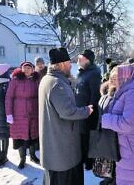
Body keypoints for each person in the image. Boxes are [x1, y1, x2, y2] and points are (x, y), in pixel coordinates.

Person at [39, 47, 93, 185]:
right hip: (62, 151)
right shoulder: (57, 84)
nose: (71, 65)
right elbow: (67, 112)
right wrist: (86, 111)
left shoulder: (48, 79)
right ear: (62, 64)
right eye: (69, 62)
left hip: (55, 148)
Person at [5, 61, 40, 169]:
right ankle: (22, 159)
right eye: (24, 68)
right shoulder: (15, 81)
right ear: (21, 69)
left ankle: (33, 155)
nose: (26, 70)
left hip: (33, 111)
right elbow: (9, 97)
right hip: (18, 113)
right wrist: (9, 114)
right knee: (21, 136)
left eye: (29, 68)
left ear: (33, 69)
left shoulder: (36, 80)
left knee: (33, 135)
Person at [75, 49, 101, 170]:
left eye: (81, 57)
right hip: (80, 111)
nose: (79, 59)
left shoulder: (94, 73)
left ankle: (89, 162)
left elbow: (95, 94)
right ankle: (83, 158)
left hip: (88, 112)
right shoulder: (82, 72)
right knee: (81, 136)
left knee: (88, 137)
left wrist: (90, 110)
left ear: (88, 60)